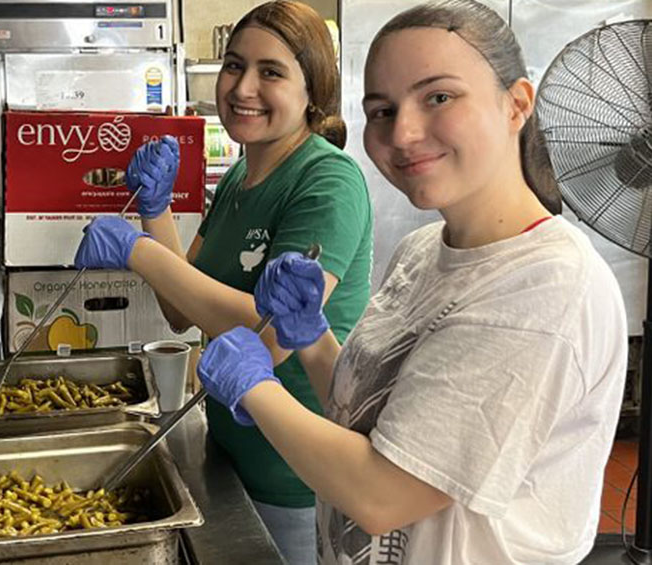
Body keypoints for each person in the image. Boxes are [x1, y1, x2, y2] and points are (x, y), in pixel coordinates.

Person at [195, 0, 628, 562]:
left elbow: (384, 494)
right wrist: (314, 340)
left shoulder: (544, 290)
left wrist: (256, 387)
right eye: (381, 110)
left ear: (517, 103)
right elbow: (366, 418)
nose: (403, 132)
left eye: (439, 97)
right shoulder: (423, 251)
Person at [73, 1, 373, 561]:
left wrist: (138, 252)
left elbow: (273, 342)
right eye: (235, 66)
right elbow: (181, 309)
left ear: (315, 91)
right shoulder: (241, 174)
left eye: (272, 72)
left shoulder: (327, 182)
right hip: (232, 451)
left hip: (295, 475)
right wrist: (155, 211)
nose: (243, 87)